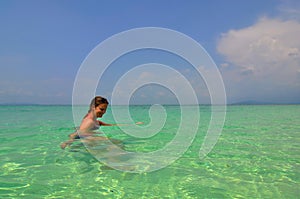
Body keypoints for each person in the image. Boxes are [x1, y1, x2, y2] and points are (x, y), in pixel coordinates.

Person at [60, 96, 141, 149]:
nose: (104, 112)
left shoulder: (95, 121)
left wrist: (133, 124)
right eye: (101, 109)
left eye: (105, 109)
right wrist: (68, 142)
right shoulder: (89, 121)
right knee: (118, 143)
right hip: (88, 140)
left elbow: (111, 125)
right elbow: (78, 133)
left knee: (117, 143)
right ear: (93, 107)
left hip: (89, 139)